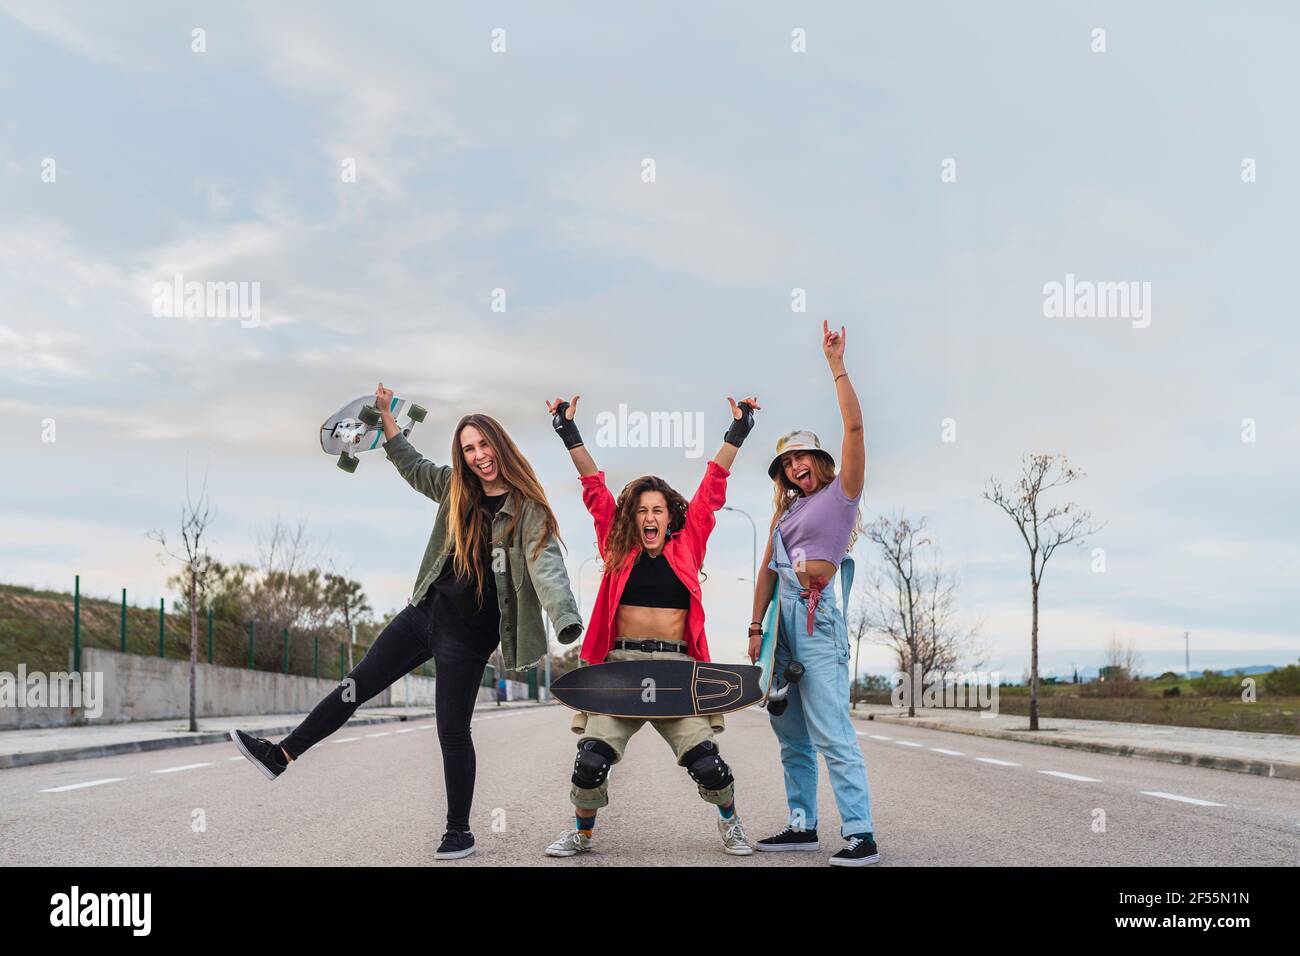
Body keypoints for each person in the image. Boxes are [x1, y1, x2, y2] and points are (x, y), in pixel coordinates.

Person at [231, 383, 582, 861]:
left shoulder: (527, 511)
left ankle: (458, 832)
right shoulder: (455, 489)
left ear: (500, 446)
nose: (479, 456)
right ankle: (281, 755)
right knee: (354, 687)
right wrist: (388, 423)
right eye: (469, 449)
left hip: (469, 637)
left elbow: (546, 566)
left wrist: (565, 618)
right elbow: (413, 466)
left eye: (484, 445)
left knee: (452, 732)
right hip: (424, 614)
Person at [541, 392, 760, 858]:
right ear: (632, 517)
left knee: (709, 766)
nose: (649, 517)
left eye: (657, 510)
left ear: (671, 515)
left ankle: (731, 823)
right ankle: (582, 833)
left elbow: (712, 487)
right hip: (620, 669)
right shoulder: (617, 548)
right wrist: (568, 431)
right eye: (641, 510)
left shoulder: (689, 545)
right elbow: (595, 491)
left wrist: (737, 433)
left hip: (677, 674)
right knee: (591, 761)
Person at [747, 321, 880, 866]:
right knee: (790, 734)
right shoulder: (785, 512)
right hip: (782, 625)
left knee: (831, 731)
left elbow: (853, 426)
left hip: (817, 620)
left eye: (802, 457)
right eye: (786, 463)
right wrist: (756, 628)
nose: (795, 467)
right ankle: (802, 825)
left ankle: (861, 834)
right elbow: (765, 573)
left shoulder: (841, 495)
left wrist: (836, 363)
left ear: (819, 460)